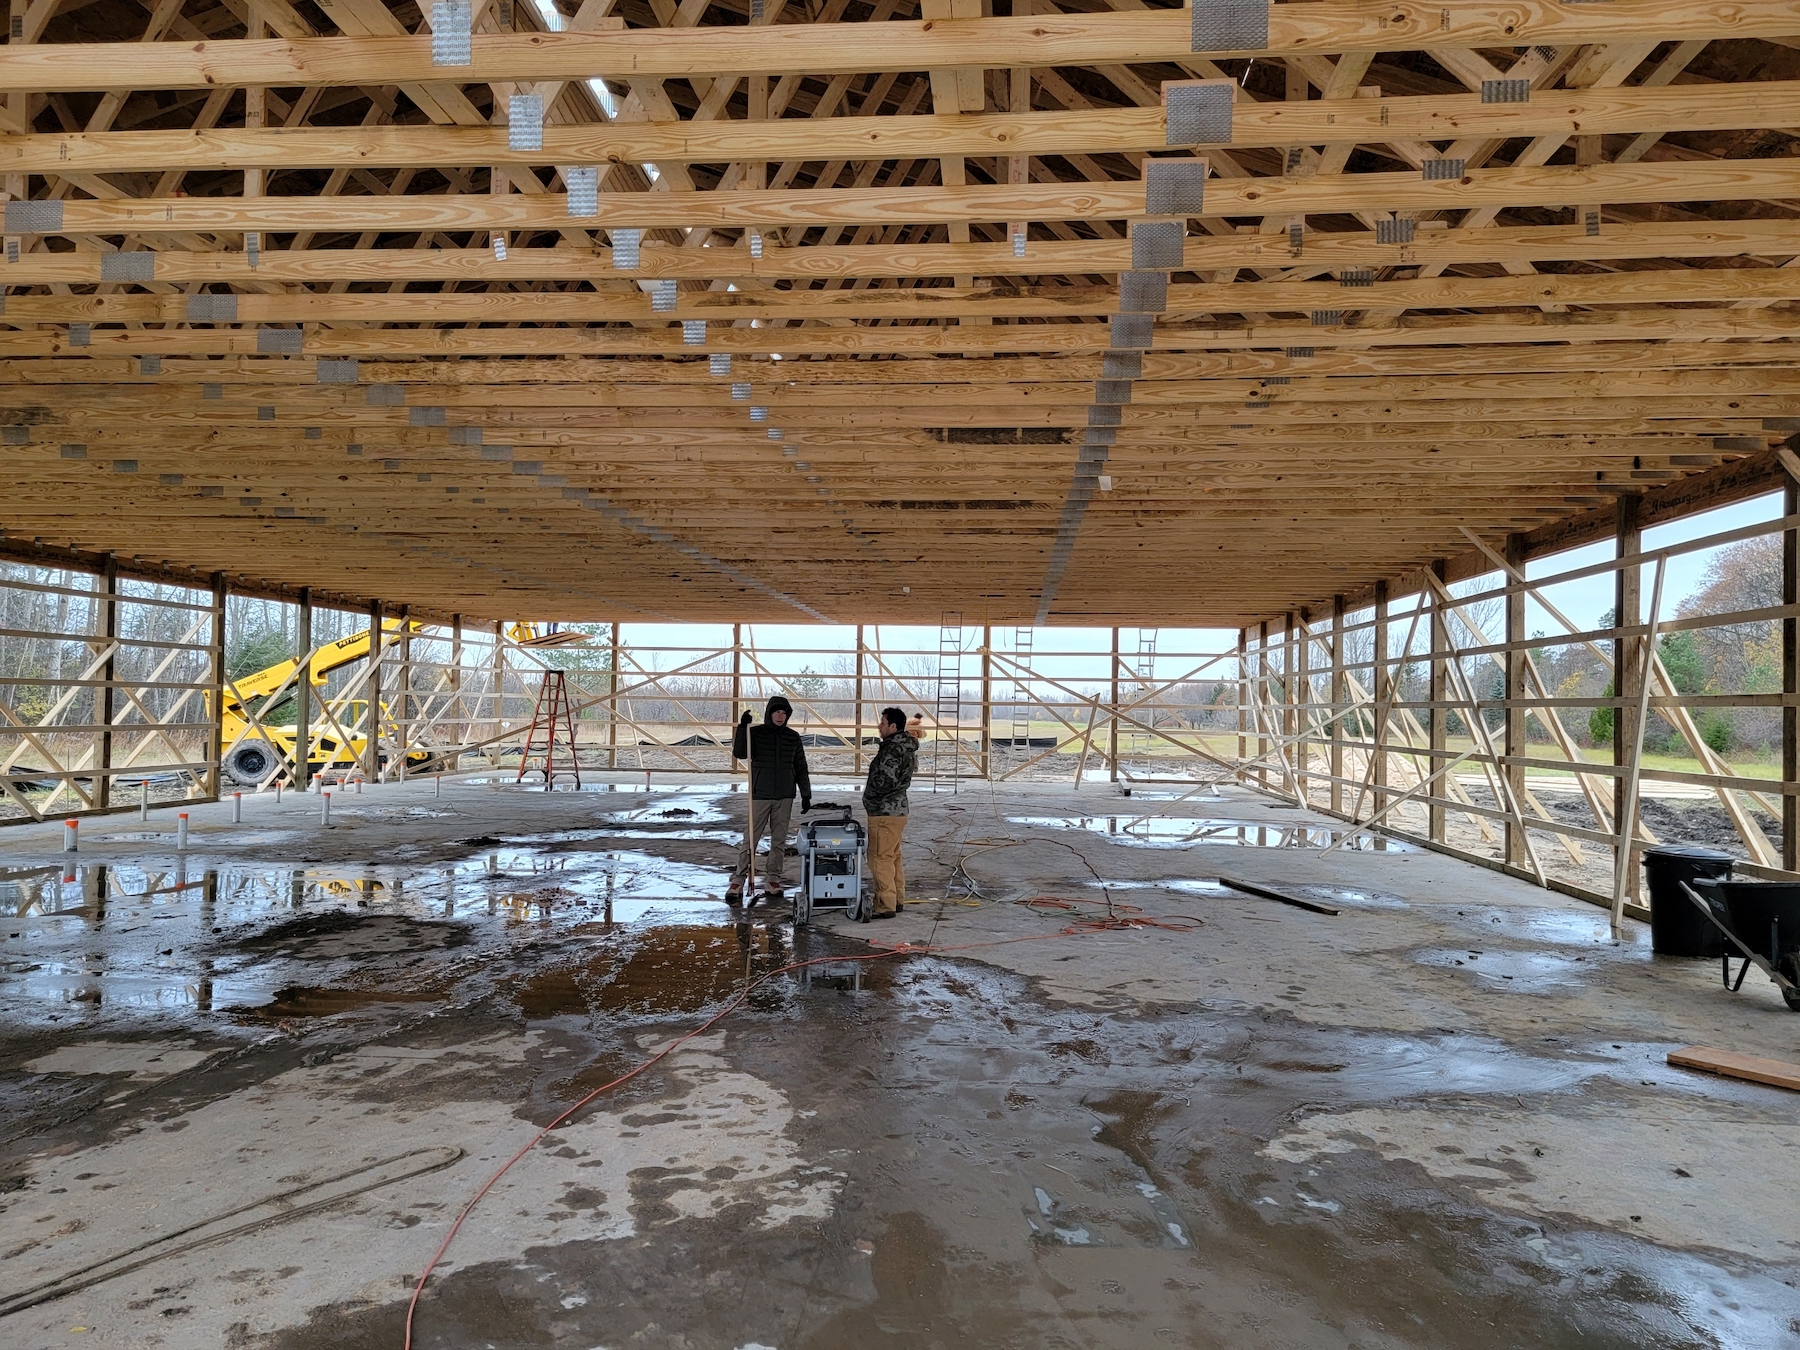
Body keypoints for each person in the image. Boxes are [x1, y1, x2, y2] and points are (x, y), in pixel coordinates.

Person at [728, 694, 811, 903]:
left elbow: (800, 766)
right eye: (777, 712)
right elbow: (739, 753)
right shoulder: (754, 733)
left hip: (784, 796)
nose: (780, 716)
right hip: (760, 795)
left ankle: (773, 878)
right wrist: (742, 728)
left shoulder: (793, 737)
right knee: (751, 839)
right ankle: (739, 879)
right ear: (769, 713)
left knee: (779, 840)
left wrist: (806, 793)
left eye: (784, 713)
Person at [861, 706, 918, 919]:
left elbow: (884, 780)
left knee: (879, 858)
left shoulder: (892, 749)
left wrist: (872, 796)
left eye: (883, 723)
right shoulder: (904, 747)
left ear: (893, 726)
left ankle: (885, 904)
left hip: (884, 811)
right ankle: (897, 899)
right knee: (892, 857)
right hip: (897, 810)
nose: (879, 726)